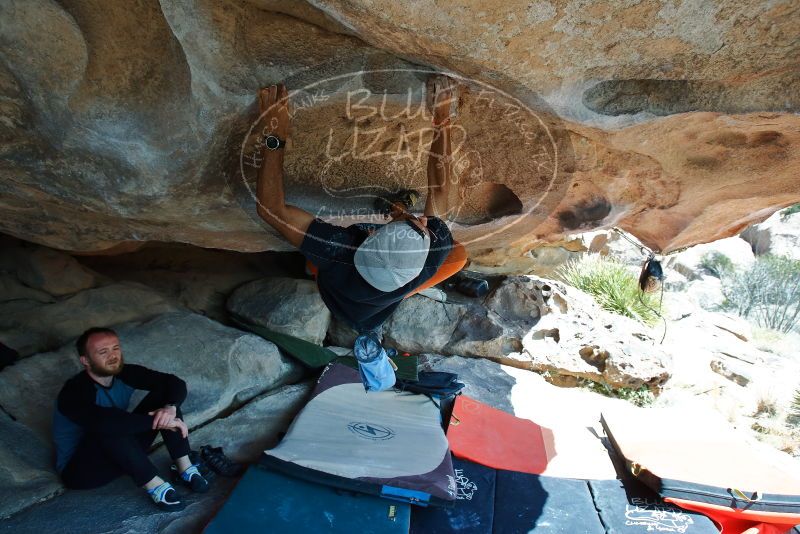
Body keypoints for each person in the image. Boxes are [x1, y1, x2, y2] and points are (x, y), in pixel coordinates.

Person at [254, 75, 468, 339]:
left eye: (415, 221)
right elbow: (441, 188)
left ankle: (312, 267)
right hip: (382, 303)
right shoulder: (432, 254)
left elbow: (270, 210)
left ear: (371, 233)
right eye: (420, 224)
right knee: (459, 255)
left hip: (336, 293)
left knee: (314, 260)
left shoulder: (337, 251)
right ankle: (395, 211)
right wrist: (442, 118)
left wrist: (275, 133)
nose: (424, 220)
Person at [52, 327, 209, 510]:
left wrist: (170, 409)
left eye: (115, 348)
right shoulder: (73, 391)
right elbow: (104, 422)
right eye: (103, 352)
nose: (113, 356)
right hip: (83, 471)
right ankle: (155, 486)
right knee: (108, 425)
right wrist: (160, 423)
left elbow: (173, 383)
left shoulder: (125, 373)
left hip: (122, 453)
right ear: (85, 360)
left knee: (165, 404)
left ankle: (185, 468)